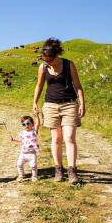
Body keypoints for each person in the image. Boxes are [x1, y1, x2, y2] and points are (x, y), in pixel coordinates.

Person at [33, 38, 85, 183]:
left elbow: (78, 86)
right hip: (50, 106)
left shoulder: (69, 65)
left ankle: (72, 171)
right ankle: (58, 170)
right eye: (45, 59)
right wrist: (34, 102)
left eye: (50, 59)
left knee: (69, 137)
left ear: (57, 55)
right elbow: (39, 85)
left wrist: (82, 103)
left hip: (69, 105)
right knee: (56, 139)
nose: (48, 62)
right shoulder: (43, 67)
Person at [11, 114, 40, 182]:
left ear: (32, 124)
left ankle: (34, 176)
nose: (26, 125)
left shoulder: (34, 131)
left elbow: (38, 124)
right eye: (24, 124)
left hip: (32, 153)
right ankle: (21, 175)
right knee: (19, 164)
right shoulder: (22, 132)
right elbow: (21, 140)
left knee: (33, 166)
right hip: (23, 153)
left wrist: (37, 116)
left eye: (28, 123)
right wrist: (14, 139)